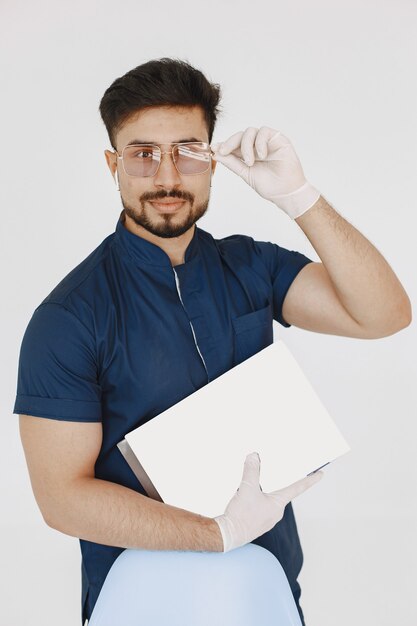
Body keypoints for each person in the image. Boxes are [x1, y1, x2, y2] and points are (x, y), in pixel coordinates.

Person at [14, 57, 411, 626]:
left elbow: (385, 316)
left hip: (265, 586)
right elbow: (61, 497)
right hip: (139, 593)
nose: (167, 177)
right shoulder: (69, 318)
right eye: (143, 154)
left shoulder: (252, 266)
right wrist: (215, 534)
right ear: (113, 164)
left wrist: (298, 196)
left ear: (213, 160)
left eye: (188, 151)